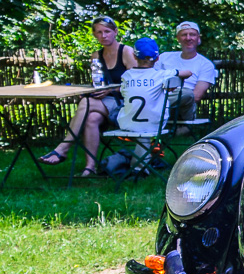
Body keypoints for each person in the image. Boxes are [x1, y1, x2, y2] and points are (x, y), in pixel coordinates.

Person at [38, 16, 137, 176]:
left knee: (86, 104)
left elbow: (137, 84)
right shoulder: (96, 56)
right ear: (94, 35)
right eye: (99, 32)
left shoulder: (126, 52)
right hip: (105, 103)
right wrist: (95, 91)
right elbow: (98, 83)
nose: (103, 35)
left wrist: (111, 90)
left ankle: (63, 148)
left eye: (107, 31)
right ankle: (90, 167)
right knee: (91, 118)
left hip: (127, 104)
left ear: (115, 32)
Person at [114, 38, 192, 170]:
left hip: (127, 125)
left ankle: (139, 164)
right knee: (149, 120)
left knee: (121, 113)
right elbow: (188, 73)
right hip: (156, 125)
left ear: (134, 56)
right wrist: (173, 80)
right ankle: (141, 165)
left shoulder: (126, 76)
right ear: (157, 59)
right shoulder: (161, 74)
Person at [156, 21, 217, 132]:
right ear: (178, 38)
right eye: (184, 35)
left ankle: (173, 128)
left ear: (198, 37)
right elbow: (152, 80)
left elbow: (196, 96)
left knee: (187, 93)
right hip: (159, 98)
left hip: (182, 106)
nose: (188, 38)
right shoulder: (164, 57)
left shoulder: (205, 64)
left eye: (192, 34)